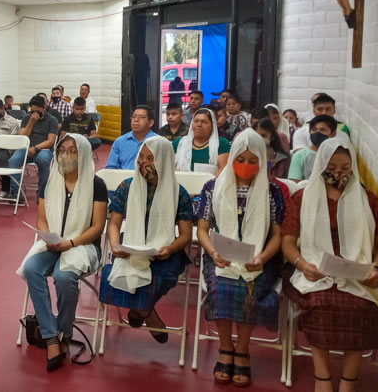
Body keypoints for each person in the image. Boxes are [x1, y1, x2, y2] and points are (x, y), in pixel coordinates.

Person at [282, 137, 378, 392]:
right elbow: (288, 241)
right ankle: (322, 378)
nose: (338, 174)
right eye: (331, 168)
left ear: (353, 167)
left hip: (357, 271)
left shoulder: (367, 199)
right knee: (319, 304)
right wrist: (302, 264)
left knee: (361, 306)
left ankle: (348, 381)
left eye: (345, 168)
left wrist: (377, 269)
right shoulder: (303, 198)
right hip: (314, 269)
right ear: (320, 166)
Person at [195, 129, 286, 387]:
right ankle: (226, 347)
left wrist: (262, 258)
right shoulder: (213, 187)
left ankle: (242, 349)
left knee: (248, 288)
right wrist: (213, 253)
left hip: (261, 258)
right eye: (241, 159)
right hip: (219, 255)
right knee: (221, 288)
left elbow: (278, 235)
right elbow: (202, 230)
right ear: (232, 157)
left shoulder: (272, 191)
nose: (246, 165)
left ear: (262, 161)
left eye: (253, 161)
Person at [18, 134, 107, 372]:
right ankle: (50, 337)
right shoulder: (51, 181)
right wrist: (49, 237)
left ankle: (65, 333)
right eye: (62, 151)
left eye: (72, 151)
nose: (65, 156)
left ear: (83, 154)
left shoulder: (96, 184)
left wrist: (70, 242)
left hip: (82, 245)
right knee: (31, 268)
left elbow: (98, 226)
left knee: (64, 276)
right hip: (54, 244)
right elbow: (41, 218)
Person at [99, 137, 194, 343]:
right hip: (131, 244)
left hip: (165, 250)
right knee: (121, 273)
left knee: (159, 277)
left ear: (163, 160)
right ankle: (146, 312)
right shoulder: (127, 187)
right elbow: (114, 223)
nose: (143, 162)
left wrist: (169, 249)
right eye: (141, 157)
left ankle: (139, 310)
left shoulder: (179, 193)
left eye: (150, 158)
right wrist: (114, 244)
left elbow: (186, 235)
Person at [8, 96, 58, 199]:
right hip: (26, 148)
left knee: (43, 160)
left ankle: (41, 193)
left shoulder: (52, 120)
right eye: (32, 111)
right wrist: (31, 122)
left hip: (43, 149)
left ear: (44, 108)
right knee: (13, 160)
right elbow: (22, 137)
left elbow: (51, 141)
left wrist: (36, 148)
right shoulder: (27, 118)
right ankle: (16, 193)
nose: (35, 114)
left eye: (38, 111)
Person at [173, 109, 230, 176]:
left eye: (204, 122)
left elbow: (223, 169)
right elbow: (170, 167)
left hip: (212, 182)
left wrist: (209, 182)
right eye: (196, 121)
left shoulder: (221, 143)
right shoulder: (179, 143)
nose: (199, 125)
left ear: (212, 125)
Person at [105, 105, 158, 169]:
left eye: (141, 117)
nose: (136, 120)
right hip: (124, 175)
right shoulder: (119, 141)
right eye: (133, 117)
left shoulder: (159, 142)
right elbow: (111, 168)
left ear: (151, 123)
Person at [289, 115, 338, 182]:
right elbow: (294, 183)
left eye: (323, 130)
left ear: (333, 134)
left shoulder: (337, 155)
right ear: (309, 131)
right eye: (314, 129)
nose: (317, 133)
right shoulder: (299, 156)